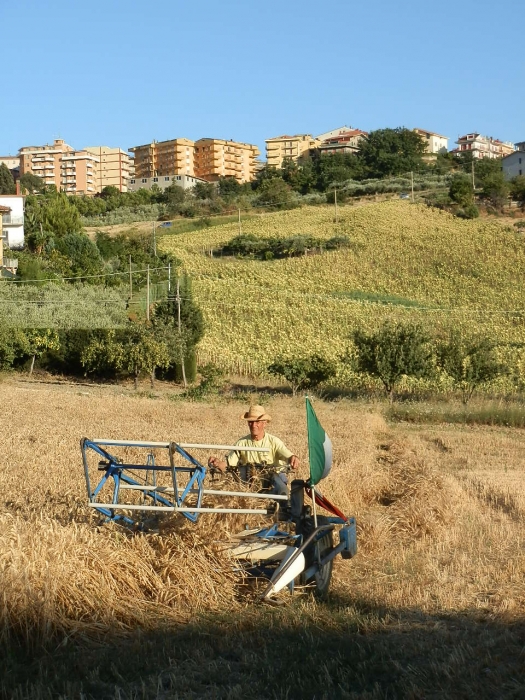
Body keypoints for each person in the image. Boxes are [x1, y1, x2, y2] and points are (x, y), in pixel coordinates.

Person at [208, 404, 299, 496]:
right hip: (249, 483)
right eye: (251, 422)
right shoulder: (241, 443)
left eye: (257, 422)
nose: (253, 425)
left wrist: (293, 458)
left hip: (272, 481)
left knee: (283, 490)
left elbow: (289, 456)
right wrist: (218, 463)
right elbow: (229, 465)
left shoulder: (274, 442)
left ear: (264, 423)